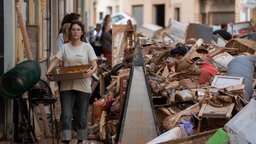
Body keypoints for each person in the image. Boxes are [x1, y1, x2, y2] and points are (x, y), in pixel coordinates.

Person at [47, 21, 98, 144]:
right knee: (66, 116)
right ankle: (66, 140)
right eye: (73, 29)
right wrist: (48, 71)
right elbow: (56, 60)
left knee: (81, 117)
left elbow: (94, 64)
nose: (75, 32)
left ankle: (81, 140)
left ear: (82, 32)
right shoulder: (65, 47)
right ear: (70, 32)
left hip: (83, 86)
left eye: (78, 30)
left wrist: (91, 73)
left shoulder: (87, 47)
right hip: (66, 86)